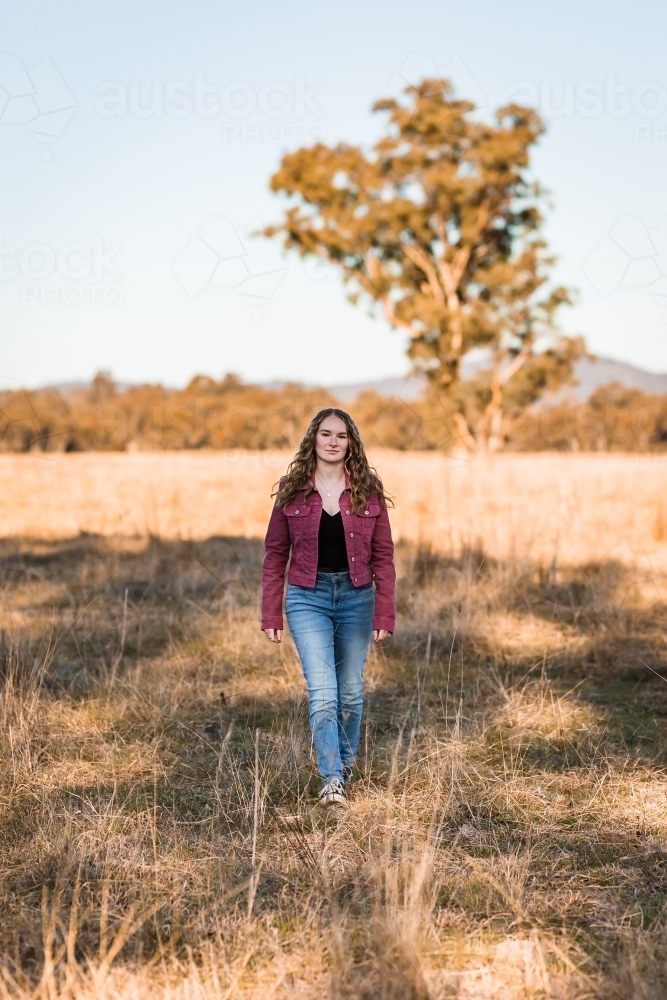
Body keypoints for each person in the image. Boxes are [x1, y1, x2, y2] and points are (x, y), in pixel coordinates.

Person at [261, 408, 396, 808]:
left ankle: (346, 763)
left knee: (351, 691)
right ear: (313, 440)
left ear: (350, 442)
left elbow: (383, 555)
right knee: (323, 691)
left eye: (341, 435)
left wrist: (384, 611)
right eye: (325, 434)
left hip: (357, 596)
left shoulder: (368, 489)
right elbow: (274, 555)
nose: (333, 441)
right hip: (307, 596)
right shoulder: (293, 489)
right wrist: (271, 612)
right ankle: (331, 778)